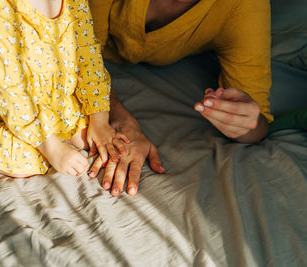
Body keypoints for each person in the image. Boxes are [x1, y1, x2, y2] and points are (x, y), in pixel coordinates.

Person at [87, 0, 272, 196]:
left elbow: (257, 123)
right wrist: (121, 118)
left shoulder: (243, 6)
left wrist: (243, 122)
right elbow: (77, 58)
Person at [0, 0, 128, 177]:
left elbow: (88, 55)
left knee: (87, 139)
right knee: (27, 162)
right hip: (4, 104)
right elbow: (10, 91)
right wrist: (53, 148)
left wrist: (99, 119)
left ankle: (51, 129)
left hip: (53, 97)